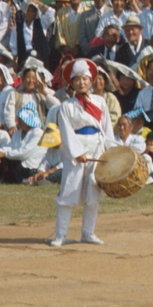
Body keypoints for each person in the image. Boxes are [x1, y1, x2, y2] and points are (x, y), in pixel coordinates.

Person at [49, 58, 115, 247]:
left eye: (85, 79)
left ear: (90, 80)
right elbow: (66, 131)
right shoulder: (67, 106)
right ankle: (60, 234)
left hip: (97, 148)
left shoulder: (100, 102)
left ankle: (88, 232)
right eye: (77, 79)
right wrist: (77, 152)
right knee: (69, 190)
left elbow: (106, 128)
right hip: (77, 151)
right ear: (72, 82)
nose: (81, 83)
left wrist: (111, 151)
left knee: (94, 191)